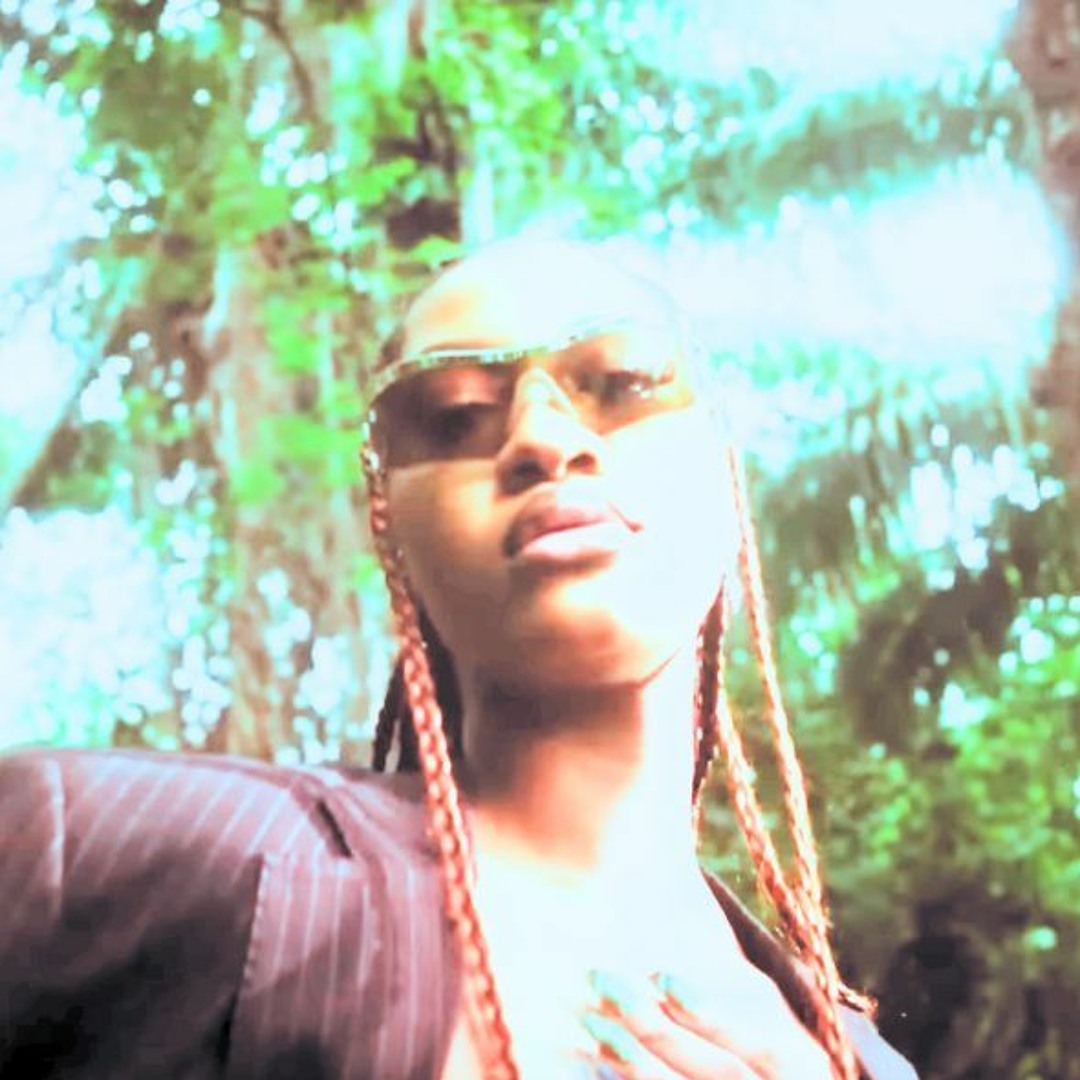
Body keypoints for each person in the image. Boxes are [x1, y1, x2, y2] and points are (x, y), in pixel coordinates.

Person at [0, 237, 917, 1080]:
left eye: (623, 379)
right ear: (390, 523)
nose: (544, 438)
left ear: (723, 467)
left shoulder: (862, 1063)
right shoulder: (99, 854)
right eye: (455, 414)